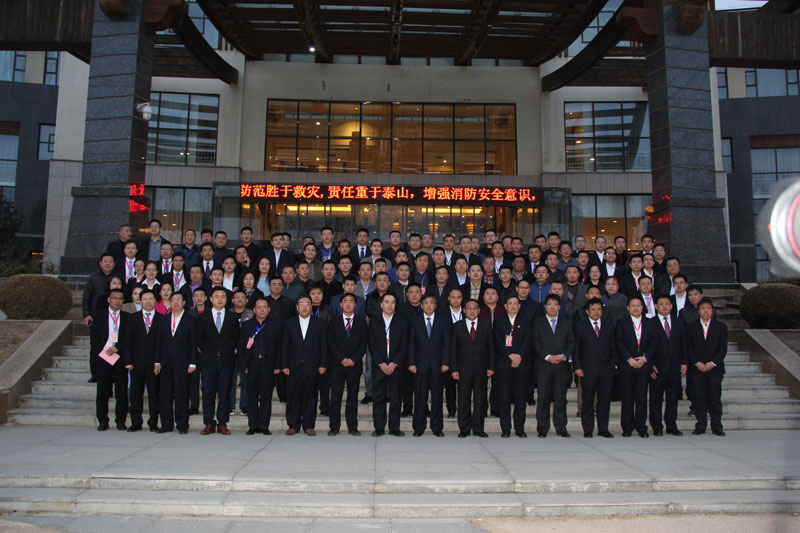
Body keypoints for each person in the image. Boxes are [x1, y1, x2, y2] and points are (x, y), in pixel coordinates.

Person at [281, 295, 328, 436]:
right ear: (297, 307)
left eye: (307, 304)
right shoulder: (289, 323)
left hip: (312, 365)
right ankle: (293, 425)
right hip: (293, 366)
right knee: (292, 396)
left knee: (311, 397)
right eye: (301, 304)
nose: (304, 307)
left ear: (311, 307)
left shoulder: (319, 323)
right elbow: (284, 345)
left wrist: (323, 364)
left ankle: (308, 425)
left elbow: (323, 345)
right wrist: (284, 364)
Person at [196, 288, 240, 435]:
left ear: (226, 300)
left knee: (224, 393)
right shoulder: (203, 317)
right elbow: (199, 339)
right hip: (208, 361)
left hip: (227, 361)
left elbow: (236, 338)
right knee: (208, 393)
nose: (220, 299)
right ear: (211, 299)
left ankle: (222, 422)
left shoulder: (233, 317)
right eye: (217, 297)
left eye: (223, 297)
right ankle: (209, 423)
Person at [450, 299, 495, 438]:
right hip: (463, 369)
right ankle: (464, 428)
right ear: (464, 310)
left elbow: (491, 348)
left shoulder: (486, 325)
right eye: (469, 308)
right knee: (463, 399)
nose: (472, 311)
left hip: (481, 369)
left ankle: (478, 428)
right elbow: (453, 350)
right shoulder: (457, 326)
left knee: (480, 400)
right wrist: (454, 369)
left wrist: (491, 367)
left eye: (474, 308)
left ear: (479, 310)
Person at [532, 294, 575, 438]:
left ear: (559, 307)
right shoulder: (538, 323)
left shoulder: (566, 323)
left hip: (561, 366)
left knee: (560, 398)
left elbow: (571, 342)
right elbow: (535, 343)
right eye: (549, 304)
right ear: (545, 307)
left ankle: (561, 427)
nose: (552, 307)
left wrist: (563, 355)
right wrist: (548, 356)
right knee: (543, 398)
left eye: (555, 304)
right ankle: (542, 428)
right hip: (544, 365)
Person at [154, 292, 197, 434]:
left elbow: (193, 342)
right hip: (165, 363)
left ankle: (182, 424)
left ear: (184, 302)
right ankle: (166, 424)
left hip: (183, 363)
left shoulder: (190, 320)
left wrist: (192, 363)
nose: (175, 302)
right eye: (173, 300)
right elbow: (158, 341)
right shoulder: (164, 319)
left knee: (182, 395)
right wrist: (157, 361)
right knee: (165, 395)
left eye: (179, 300)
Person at [408, 293, 450, 437]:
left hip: (437, 366)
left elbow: (446, 343)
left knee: (437, 397)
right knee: (420, 397)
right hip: (420, 365)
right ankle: (418, 427)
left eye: (431, 303)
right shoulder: (415, 321)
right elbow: (411, 343)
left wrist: (445, 362)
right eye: (426, 303)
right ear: (421, 306)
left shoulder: (442, 321)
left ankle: (437, 427)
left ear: (435, 305)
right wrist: (411, 363)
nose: (429, 305)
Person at [326, 293, 368, 436]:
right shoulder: (334, 322)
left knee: (352, 397)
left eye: (351, 301)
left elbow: (363, 343)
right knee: (335, 397)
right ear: (340, 304)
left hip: (354, 365)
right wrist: (341, 358)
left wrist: (353, 359)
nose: (348, 304)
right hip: (337, 365)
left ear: (355, 305)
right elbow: (331, 342)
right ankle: (334, 427)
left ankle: (352, 427)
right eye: (345, 301)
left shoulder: (361, 323)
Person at [573, 298, 615, 438]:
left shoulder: (609, 326)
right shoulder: (580, 326)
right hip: (587, 369)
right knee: (587, 400)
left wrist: (612, 365)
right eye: (593, 309)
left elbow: (613, 347)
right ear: (587, 311)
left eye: (599, 309)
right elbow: (576, 349)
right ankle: (588, 429)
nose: (596, 312)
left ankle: (603, 428)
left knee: (604, 400)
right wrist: (577, 367)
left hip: (605, 369)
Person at [238, 298, 282, 435]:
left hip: (268, 363)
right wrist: (243, 365)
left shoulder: (275, 325)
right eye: (259, 307)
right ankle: (252, 425)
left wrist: (278, 365)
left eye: (264, 307)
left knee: (266, 396)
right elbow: (241, 347)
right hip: (252, 363)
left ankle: (264, 425)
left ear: (269, 309)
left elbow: (280, 346)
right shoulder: (247, 325)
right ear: (254, 310)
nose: (262, 309)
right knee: (251, 396)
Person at [616, 295, 658, 438]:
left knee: (641, 398)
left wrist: (645, 358)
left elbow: (654, 342)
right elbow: (619, 342)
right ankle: (627, 427)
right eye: (633, 306)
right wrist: (629, 359)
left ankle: (641, 427)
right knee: (627, 397)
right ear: (628, 308)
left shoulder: (650, 323)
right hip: (627, 365)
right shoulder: (622, 322)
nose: (635, 308)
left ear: (642, 307)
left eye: (638, 305)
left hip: (643, 365)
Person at [687, 298, 728, 436]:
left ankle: (717, 426)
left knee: (715, 398)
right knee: (699, 398)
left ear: (712, 310)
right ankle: (700, 426)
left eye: (708, 308)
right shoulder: (691, 326)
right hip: (697, 369)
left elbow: (722, 349)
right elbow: (688, 347)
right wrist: (697, 363)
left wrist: (712, 363)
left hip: (715, 369)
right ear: (698, 311)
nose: (705, 311)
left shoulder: (720, 326)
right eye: (703, 308)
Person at [368, 292, 407, 437]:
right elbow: (372, 344)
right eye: (387, 302)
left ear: (395, 305)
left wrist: (394, 362)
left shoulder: (402, 321)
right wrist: (381, 363)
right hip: (379, 366)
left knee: (396, 398)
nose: (389, 305)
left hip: (396, 366)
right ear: (381, 305)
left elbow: (404, 344)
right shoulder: (374, 322)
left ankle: (394, 428)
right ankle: (379, 428)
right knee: (379, 398)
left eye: (392, 302)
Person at [649, 294, 688, 437]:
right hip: (657, 368)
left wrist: (684, 362)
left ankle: (671, 426)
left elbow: (684, 344)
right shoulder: (651, 323)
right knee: (656, 399)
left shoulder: (678, 322)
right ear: (656, 306)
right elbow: (647, 346)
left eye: (667, 304)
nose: (664, 306)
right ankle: (657, 426)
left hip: (675, 367)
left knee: (672, 399)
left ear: (671, 306)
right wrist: (650, 365)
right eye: (661, 304)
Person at [123, 288, 162, 432]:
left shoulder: (162, 318)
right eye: (145, 299)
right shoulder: (132, 318)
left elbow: (163, 343)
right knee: (136, 394)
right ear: (140, 301)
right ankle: (136, 422)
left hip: (154, 363)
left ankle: (153, 422)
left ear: (155, 301)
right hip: (136, 363)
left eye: (151, 299)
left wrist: (159, 361)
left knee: (154, 394)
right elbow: (127, 341)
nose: (148, 301)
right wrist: (128, 361)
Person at [494, 295, 533, 438]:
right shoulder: (499, 321)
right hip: (504, 363)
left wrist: (519, 356)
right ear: (505, 306)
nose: (513, 306)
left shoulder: (526, 321)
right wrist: (509, 355)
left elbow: (528, 341)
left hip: (521, 364)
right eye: (510, 303)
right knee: (504, 398)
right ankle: (505, 428)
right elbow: (497, 341)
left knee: (520, 398)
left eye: (515, 303)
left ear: (519, 306)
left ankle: (519, 428)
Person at [91, 289, 129, 431]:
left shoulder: (127, 317)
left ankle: (121, 421)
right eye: (114, 298)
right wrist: (98, 355)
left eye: (120, 298)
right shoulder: (99, 316)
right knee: (103, 390)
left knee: (121, 391)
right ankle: (102, 421)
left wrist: (117, 347)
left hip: (120, 357)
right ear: (109, 300)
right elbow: (94, 338)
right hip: (103, 357)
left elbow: (129, 338)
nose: (117, 301)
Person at [83, 253, 117, 383]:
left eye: (110, 261)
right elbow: (86, 298)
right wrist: (87, 314)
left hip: (114, 320)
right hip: (97, 319)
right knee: (96, 347)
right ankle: (95, 374)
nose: (108, 263)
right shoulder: (93, 278)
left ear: (114, 264)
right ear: (100, 263)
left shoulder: (117, 278)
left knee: (112, 345)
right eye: (105, 261)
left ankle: (111, 374)